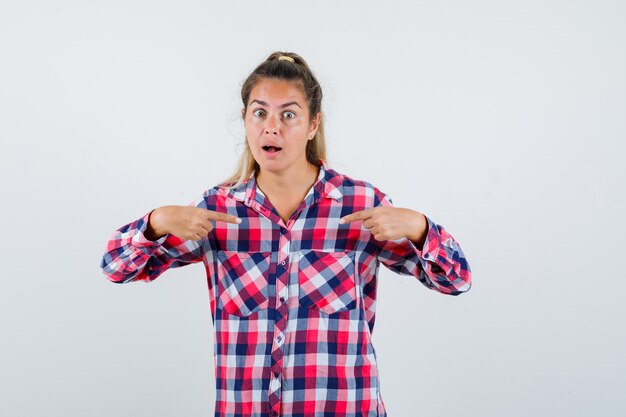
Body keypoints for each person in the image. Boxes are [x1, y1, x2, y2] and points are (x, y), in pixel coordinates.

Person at [100, 51, 472, 417]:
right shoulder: (217, 211)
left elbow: (456, 280)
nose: (271, 127)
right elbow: (115, 266)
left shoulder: (359, 205)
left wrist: (421, 229)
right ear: (245, 120)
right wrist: (156, 222)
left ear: (313, 125)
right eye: (259, 113)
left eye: (288, 115)